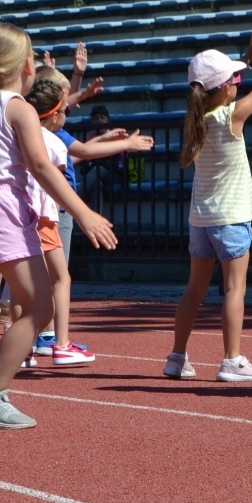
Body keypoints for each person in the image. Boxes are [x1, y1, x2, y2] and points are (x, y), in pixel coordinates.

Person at [0, 23, 117, 428]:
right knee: (39, 306)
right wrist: (83, 212)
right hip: (1, 210)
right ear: (28, 65)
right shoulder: (19, 108)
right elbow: (40, 165)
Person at [165, 25, 252, 383]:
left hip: (201, 218)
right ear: (225, 87)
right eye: (235, 80)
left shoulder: (196, 119)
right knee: (234, 289)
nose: (238, 82)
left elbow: (216, 87)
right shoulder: (232, 117)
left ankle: (177, 357)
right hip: (230, 217)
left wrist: (247, 57)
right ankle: (231, 360)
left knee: (194, 290)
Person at [23, 68, 153, 365]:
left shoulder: (22, 135)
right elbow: (79, 152)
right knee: (57, 278)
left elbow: (75, 149)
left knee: (28, 283)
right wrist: (126, 144)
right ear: (56, 114)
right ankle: (57, 342)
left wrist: (108, 137)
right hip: (48, 216)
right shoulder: (52, 140)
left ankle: (28, 343)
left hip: (22, 216)